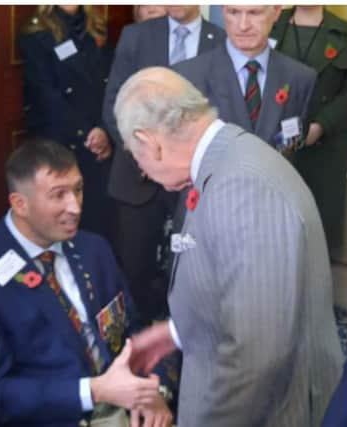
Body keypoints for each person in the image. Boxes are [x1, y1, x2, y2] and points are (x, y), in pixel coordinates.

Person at [113, 66, 343, 427]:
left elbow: (257, 353)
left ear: (150, 142)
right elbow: (234, 284)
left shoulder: (241, 185)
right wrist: (175, 332)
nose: (142, 171)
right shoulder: (228, 157)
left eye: (135, 156)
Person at [0, 139, 173, 427]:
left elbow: (132, 330)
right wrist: (95, 391)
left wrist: (155, 391)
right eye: (58, 195)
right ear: (19, 204)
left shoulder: (94, 249)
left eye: (77, 190)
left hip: (122, 409)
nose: (74, 207)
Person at [102, 6, 225, 325]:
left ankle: (184, 341)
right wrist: (147, 156)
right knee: (135, 268)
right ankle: (139, 344)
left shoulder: (221, 40)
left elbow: (219, 112)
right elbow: (113, 103)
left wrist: (180, 163)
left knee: (189, 268)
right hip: (136, 175)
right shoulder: (136, 36)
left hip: (191, 182)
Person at [19, 6, 114, 241]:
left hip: (98, 142)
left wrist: (105, 130)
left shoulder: (96, 28)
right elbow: (46, 96)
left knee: (97, 225)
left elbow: (110, 84)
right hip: (61, 143)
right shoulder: (36, 32)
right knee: (61, 224)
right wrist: (86, 133)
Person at [174, 5, 316, 153]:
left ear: (276, 12)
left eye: (254, 13)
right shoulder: (186, 77)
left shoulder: (301, 78)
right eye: (233, 12)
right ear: (223, 11)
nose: (243, 26)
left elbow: (292, 147)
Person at [271, 5, 347, 254]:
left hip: (324, 151)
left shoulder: (345, 33)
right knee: (274, 233)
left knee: (316, 243)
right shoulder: (269, 23)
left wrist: (322, 125)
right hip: (272, 145)